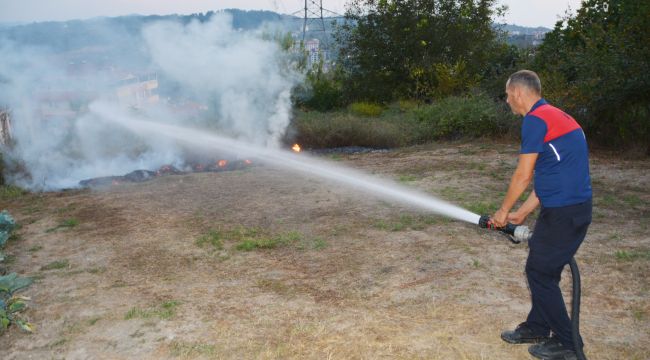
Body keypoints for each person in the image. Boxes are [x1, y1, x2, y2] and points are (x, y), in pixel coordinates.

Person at [491, 70, 592, 360]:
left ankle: (569, 344)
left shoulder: (535, 120)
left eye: (508, 94)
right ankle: (537, 326)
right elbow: (551, 175)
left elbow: (523, 176)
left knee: (539, 272)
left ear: (519, 93)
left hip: (565, 212)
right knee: (543, 266)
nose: (507, 100)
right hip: (567, 209)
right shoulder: (556, 116)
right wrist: (522, 212)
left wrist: (503, 211)